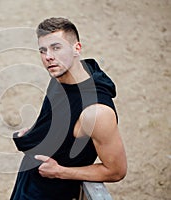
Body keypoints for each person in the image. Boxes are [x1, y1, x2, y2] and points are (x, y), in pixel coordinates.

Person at [10, 17, 127, 200]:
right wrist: (36, 132)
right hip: (29, 183)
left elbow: (116, 171)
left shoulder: (96, 113)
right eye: (43, 50)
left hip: (54, 193)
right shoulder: (61, 76)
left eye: (56, 48)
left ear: (76, 48)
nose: (48, 56)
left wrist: (59, 171)